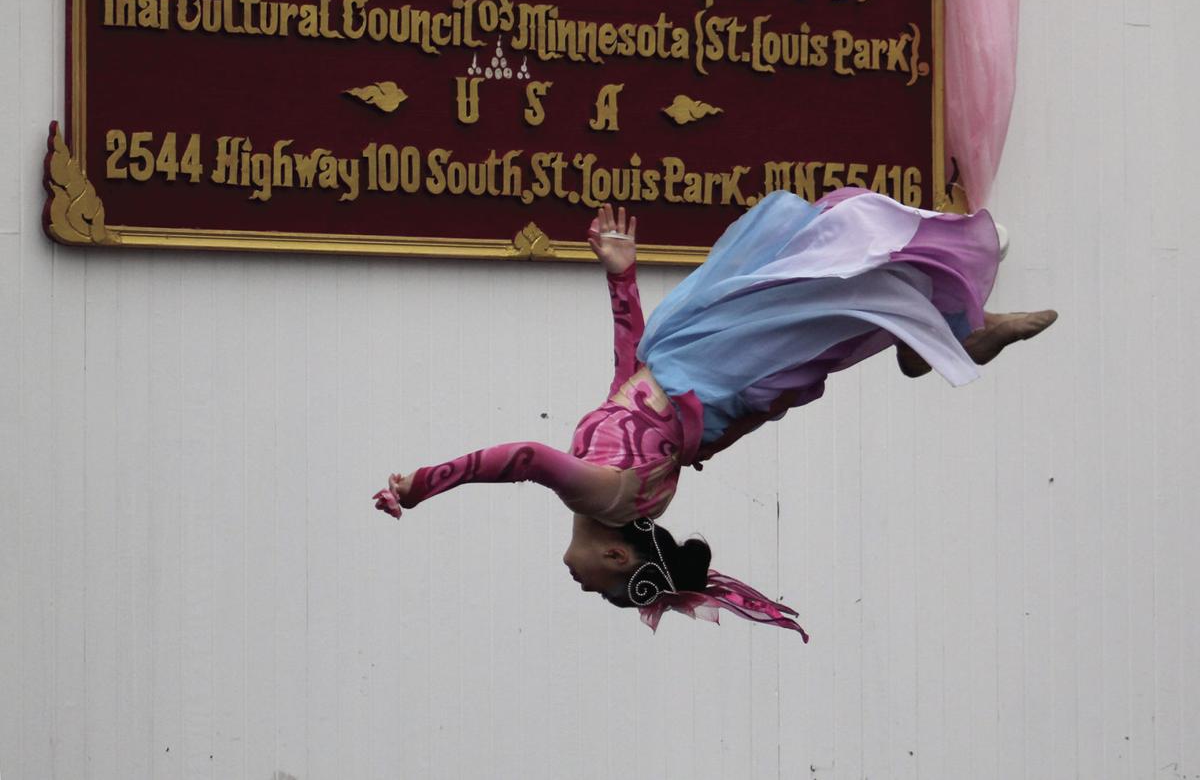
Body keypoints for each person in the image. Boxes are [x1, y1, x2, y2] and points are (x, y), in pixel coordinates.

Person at [373, 189, 1057, 636]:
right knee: (809, 271)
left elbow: (627, 379)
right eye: (600, 589)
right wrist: (421, 486)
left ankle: (939, 335)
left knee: (819, 295)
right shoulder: (610, 497)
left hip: (690, 363)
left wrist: (621, 276)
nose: (581, 587)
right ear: (617, 553)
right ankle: (946, 316)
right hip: (708, 365)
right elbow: (522, 459)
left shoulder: (627, 492)